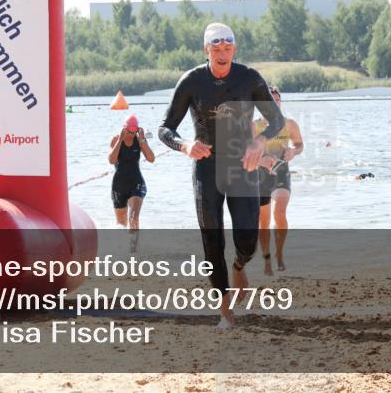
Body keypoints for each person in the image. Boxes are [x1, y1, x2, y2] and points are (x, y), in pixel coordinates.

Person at [159, 22, 285, 329]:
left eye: (227, 48)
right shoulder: (192, 81)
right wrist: (184, 145)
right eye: (216, 48)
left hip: (242, 166)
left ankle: (239, 264)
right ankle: (224, 307)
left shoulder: (249, 78)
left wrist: (259, 141)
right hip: (206, 167)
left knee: (247, 240)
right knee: (211, 236)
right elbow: (164, 129)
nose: (222, 53)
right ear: (207, 50)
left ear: (234, 50)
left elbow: (277, 119)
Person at [253, 86, 303, 275]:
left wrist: (293, 151)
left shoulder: (289, 124)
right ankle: (266, 259)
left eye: (277, 100)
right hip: (259, 176)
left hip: (282, 172)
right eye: (269, 101)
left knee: (280, 211)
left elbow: (299, 144)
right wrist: (261, 160)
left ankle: (279, 253)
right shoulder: (254, 126)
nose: (274, 103)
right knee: (262, 221)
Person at [108, 114, 155, 251]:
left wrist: (142, 140)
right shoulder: (116, 139)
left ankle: (133, 252)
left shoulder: (139, 139)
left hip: (136, 183)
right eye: (129, 131)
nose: (131, 134)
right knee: (121, 224)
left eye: (133, 131)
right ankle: (122, 250)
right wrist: (120, 140)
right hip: (119, 185)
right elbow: (111, 160)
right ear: (124, 129)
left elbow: (151, 158)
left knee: (134, 217)